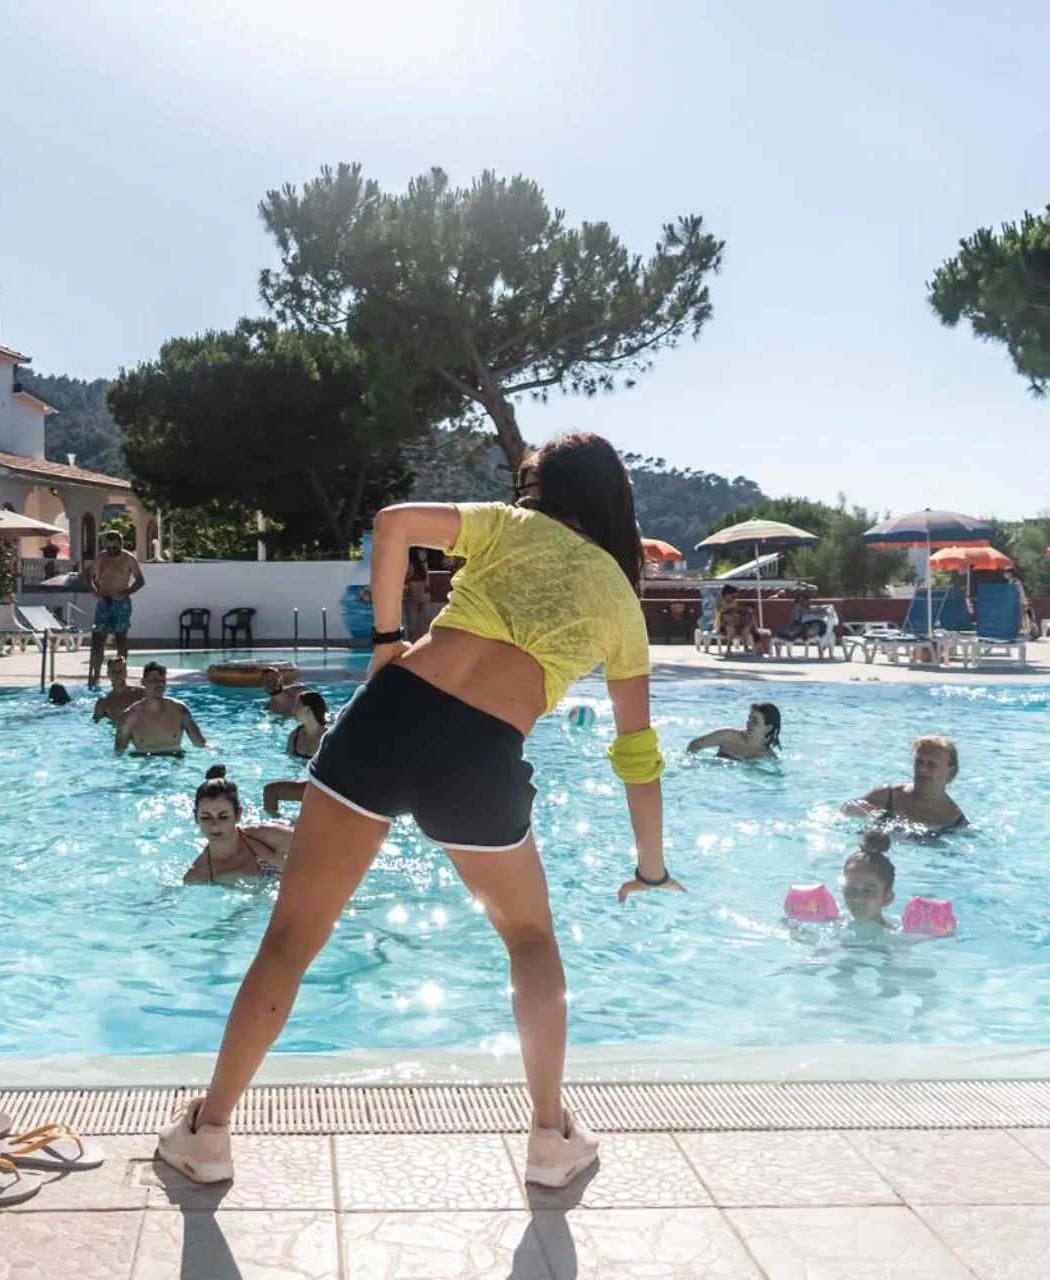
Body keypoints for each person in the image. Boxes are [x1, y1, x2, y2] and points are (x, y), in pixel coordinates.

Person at [155, 431, 679, 1192]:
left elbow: (393, 522)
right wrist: (651, 867)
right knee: (530, 939)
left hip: (388, 714)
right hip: (479, 755)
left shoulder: (509, 527)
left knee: (291, 939)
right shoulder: (621, 604)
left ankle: (208, 1134)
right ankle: (549, 1139)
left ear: (545, 491)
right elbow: (636, 753)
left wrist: (386, 641)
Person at [184, 767, 294, 884]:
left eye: (223, 817)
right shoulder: (198, 876)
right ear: (196, 817)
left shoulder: (267, 839)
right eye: (206, 817)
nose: (214, 826)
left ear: (238, 815)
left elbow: (308, 848)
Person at [843, 735, 968, 837]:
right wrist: (867, 813)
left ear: (950, 769)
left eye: (931, 764)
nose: (922, 769)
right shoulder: (888, 796)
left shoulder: (954, 821)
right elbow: (846, 809)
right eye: (919, 762)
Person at [85, 530, 146, 688]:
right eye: (109, 547)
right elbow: (87, 575)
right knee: (99, 639)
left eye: (115, 547)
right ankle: (96, 677)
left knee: (121, 639)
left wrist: (125, 593)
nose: (112, 550)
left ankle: (121, 675)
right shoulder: (102, 557)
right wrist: (95, 593)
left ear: (121, 544)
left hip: (121, 603)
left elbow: (140, 581)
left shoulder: (128, 558)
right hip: (104, 602)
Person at [115, 662, 206, 757]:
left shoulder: (179, 710)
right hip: (145, 762)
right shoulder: (128, 717)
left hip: (174, 761)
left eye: (162, 680)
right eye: (154, 680)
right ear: (143, 682)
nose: (160, 684)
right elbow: (119, 753)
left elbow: (200, 743)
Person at [840, 830, 898, 931]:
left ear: (886, 898)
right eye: (851, 890)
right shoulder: (837, 922)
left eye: (868, 891)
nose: (857, 899)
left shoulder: (897, 933)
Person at [686, 702, 781, 761]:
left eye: (755, 721)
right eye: (749, 718)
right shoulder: (728, 736)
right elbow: (695, 745)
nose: (748, 723)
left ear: (768, 728)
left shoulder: (768, 757)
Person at [91, 657, 146, 725]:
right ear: (108, 674)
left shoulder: (141, 693)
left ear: (126, 672)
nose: (117, 674)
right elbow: (95, 726)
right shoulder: (103, 703)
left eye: (120, 670)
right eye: (114, 671)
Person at [284, 689, 328, 761]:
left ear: (308, 709)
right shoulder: (294, 736)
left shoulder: (327, 738)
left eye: (297, 706)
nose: (293, 710)